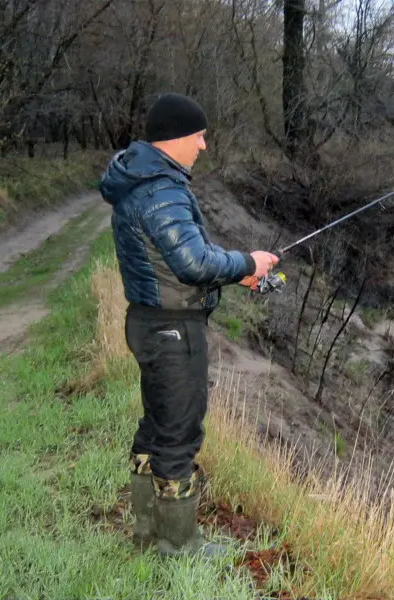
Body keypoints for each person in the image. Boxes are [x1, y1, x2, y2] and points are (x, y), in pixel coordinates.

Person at [99, 92, 278, 557]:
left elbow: (177, 259)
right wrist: (247, 260)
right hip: (172, 330)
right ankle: (179, 546)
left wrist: (241, 274)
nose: (203, 145)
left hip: (150, 323)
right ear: (177, 137)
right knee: (179, 434)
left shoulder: (144, 181)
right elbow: (192, 261)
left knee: (156, 427)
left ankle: (146, 531)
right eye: (199, 136)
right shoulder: (161, 189)